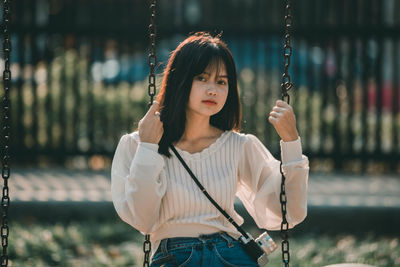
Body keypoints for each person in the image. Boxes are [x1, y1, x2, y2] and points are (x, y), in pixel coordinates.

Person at [111, 32, 309, 267]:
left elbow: (287, 214)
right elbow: (142, 219)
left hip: (231, 254)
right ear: (180, 80)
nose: (213, 89)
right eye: (202, 78)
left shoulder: (239, 146)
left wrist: (291, 142)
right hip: (175, 257)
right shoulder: (138, 145)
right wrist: (147, 148)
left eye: (222, 81)